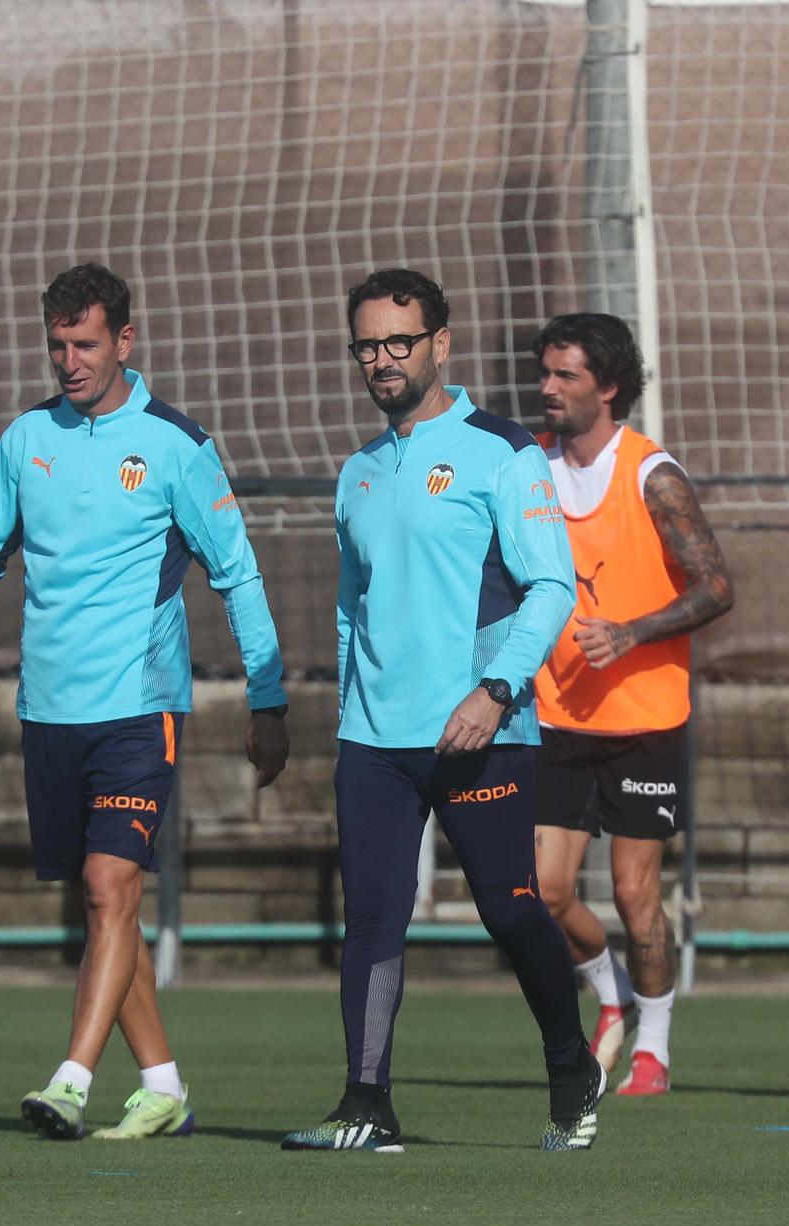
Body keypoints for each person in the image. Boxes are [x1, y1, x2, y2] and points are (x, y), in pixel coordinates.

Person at [0, 263, 289, 1140]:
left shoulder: (176, 445)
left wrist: (268, 699)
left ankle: (72, 1079)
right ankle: (162, 1085)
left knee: (107, 884)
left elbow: (237, 573)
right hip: (47, 709)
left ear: (125, 340)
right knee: (104, 903)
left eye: (85, 344)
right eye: (57, 345)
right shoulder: (25, 441)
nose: (69, 361)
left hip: (140, 704)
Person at [281, 268, 599, 1153]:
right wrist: (348, 713)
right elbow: (350, 607)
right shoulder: (357, 473)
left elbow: (551, 586)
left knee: (512, 910)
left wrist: (495, 692)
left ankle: (571, 1061)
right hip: (374, 743)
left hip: (482, 733)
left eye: (399, 342)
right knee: (374, 920)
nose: (383, 359)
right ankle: (366, 1104)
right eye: (368, 345)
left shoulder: (503, 451)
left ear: (440, 344)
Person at [528, 312, 733, 1098]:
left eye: (566, 375)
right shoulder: (531, 467)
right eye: (545, 372)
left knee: (634, 892)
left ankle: (655, 1045)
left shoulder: (653, 475)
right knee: (542, 892)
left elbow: (717, 587)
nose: (548, 388)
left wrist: (633, 633)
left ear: (608, 387)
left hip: (646, 719)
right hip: (557, 715)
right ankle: (610, 994)